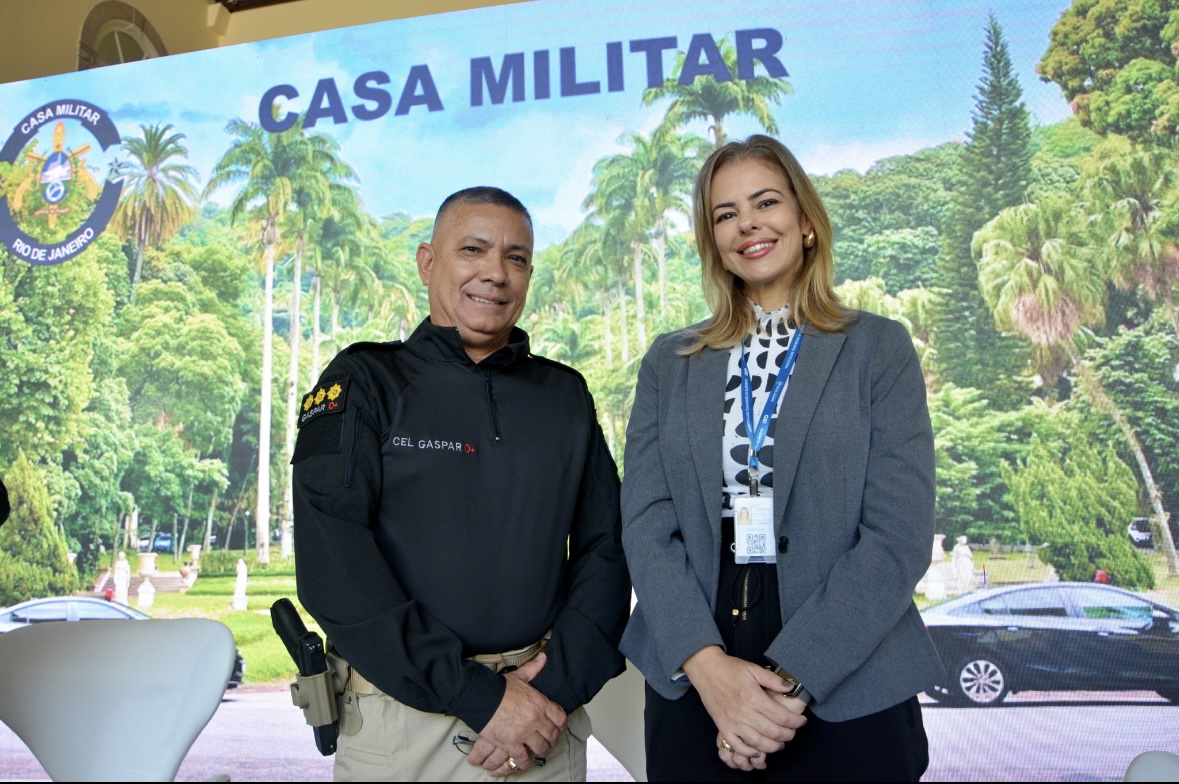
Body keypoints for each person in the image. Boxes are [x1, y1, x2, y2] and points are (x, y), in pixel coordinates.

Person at [619, 135, 943, 781]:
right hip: (695, 665)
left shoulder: (878, 349)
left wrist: (785, 688)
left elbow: (897, 536)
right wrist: (709, 671)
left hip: (849, 676)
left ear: (805, 220)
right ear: (713, 240)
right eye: (725, 214)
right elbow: (647, 525)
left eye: (765, 202)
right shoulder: (668, 361)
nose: (747, 224)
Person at [292, 186, 630, 782]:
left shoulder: (565, 395)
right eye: (473, 250)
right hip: (403, 722)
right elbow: (333, 559)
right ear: (428, 262)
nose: (495, 273)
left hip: (542, 718)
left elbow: (608, 548)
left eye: (516, 258)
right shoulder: (365, 380)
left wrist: (553, 687)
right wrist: (478, 696)